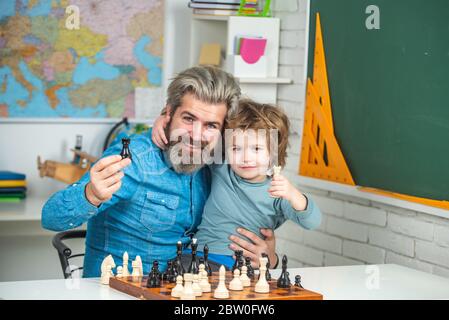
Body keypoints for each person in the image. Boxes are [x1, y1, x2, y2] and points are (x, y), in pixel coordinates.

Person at [41, 66, 277, 277]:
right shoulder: (134, 160)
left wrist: (269, 257)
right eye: (188, 118)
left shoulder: (220, 164)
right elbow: (50, 217)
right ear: (168, 113)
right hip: (121, 289)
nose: (196, 134)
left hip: (186, 291)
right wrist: (90, 195)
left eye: (211, 125)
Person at [151, 99, 322, 269]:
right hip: (196, 256)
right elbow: (194, 140)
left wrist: (293, 194)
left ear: (274, 152)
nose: (246, 158)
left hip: (238, 264)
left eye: (256, 149)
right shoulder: (221, 166)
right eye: (236, 149)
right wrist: (163, 121)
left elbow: (312, 222)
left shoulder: (277, 191)